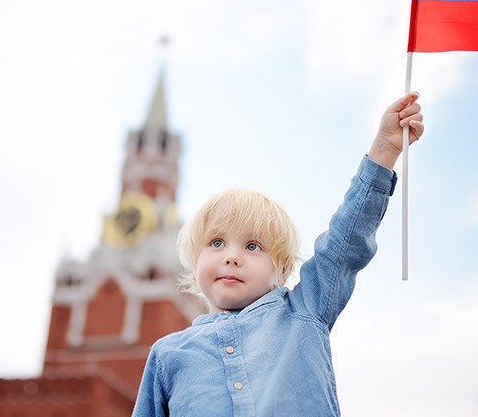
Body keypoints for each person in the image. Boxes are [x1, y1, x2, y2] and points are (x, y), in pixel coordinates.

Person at [132, 92, 424, 416]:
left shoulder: (305, 312)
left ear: (280, 270)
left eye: (252, 246)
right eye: (216, 243)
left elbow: (346, 242)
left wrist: (385, 148)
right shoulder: (166, 355)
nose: (231, 257)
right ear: (194, 260)